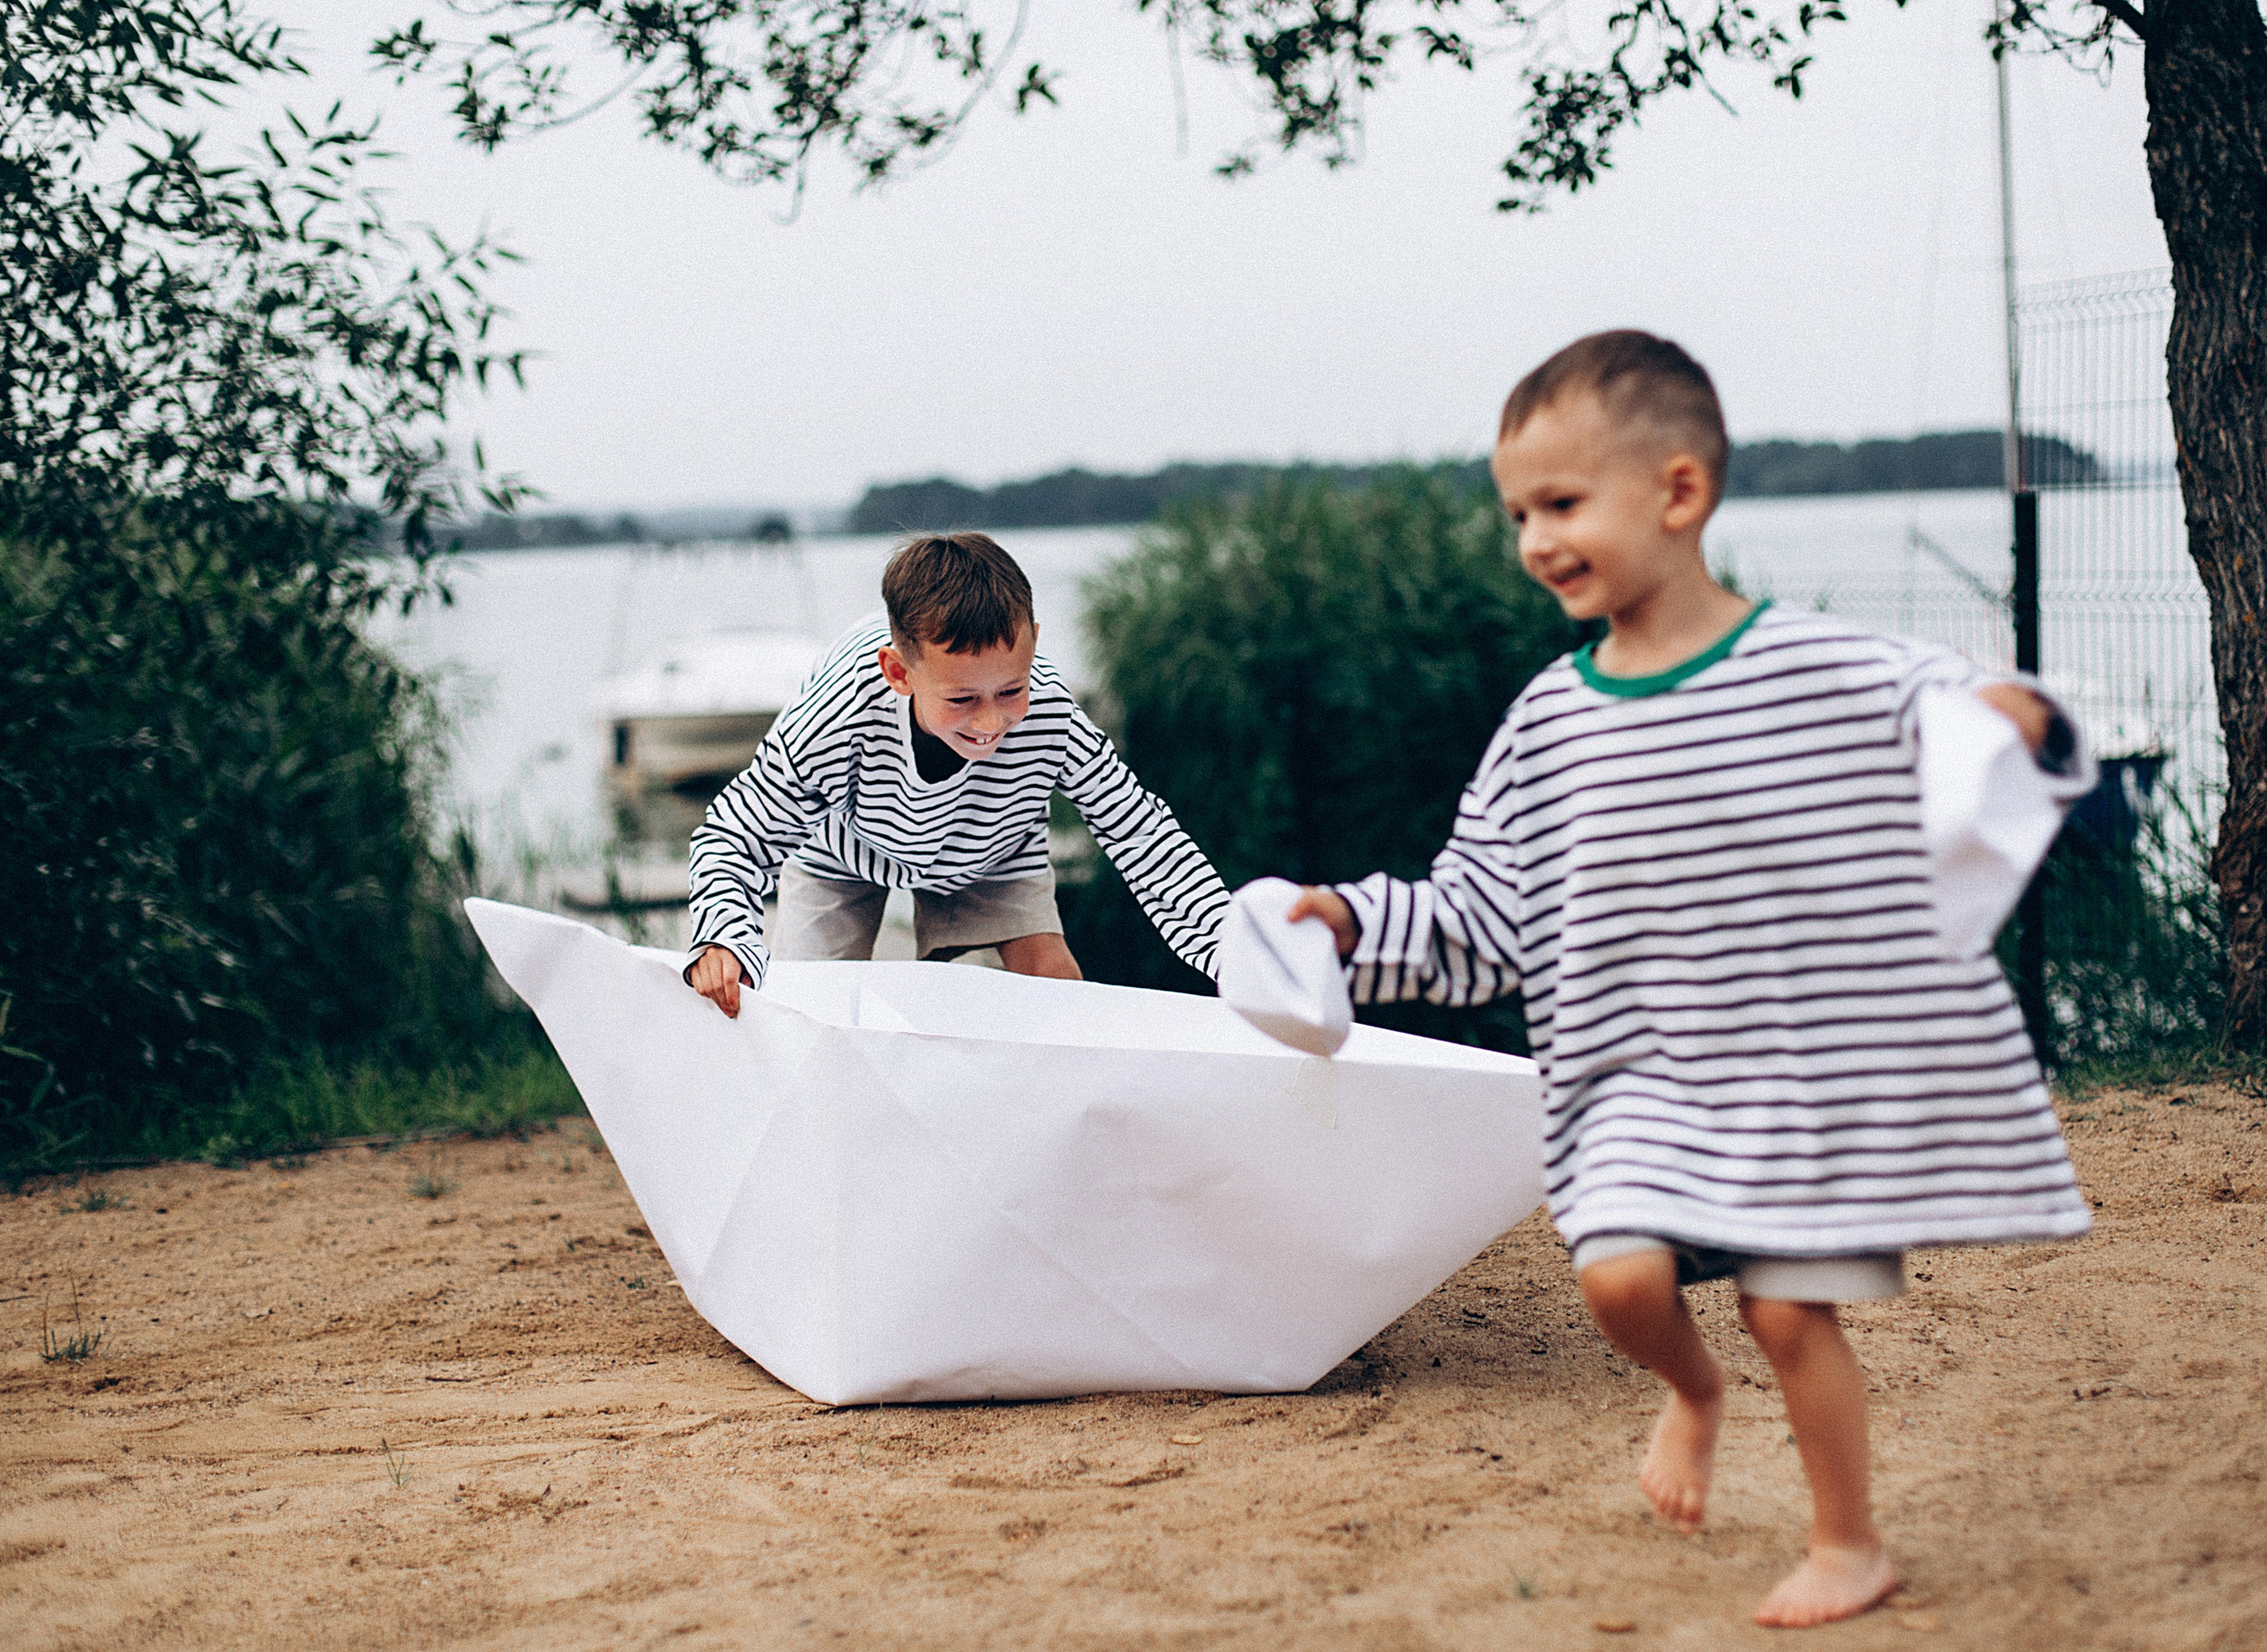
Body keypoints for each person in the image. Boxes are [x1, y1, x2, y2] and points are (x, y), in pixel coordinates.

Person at [1283, 331, 2093, 1628]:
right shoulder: (1546, 725)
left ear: (1677, 491)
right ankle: (1692, 1390)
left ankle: (1848, 1543)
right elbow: (1480, 912)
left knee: (1788, 1310)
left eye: (1561, 503)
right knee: (1619, 1281)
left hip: (1799, 1074)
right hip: (1634, 1081)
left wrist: (2021, 721)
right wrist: (1343, 920)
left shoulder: (1821, 669)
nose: (1534, 539)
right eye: (1517, 514)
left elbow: (1983, 713)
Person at [683, 531, 1225, 1015]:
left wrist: (1231, 951)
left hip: (994, 844)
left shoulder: (1052, 713)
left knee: (1057, 990)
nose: (990, 722)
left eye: (1010, 690)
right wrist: (722, 935)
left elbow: (1141, 834)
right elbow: (734, 833)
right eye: (962, 699)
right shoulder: (838, 716)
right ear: (899, 672)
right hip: (842, 852)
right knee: (806, 1011)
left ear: (1033, 645)